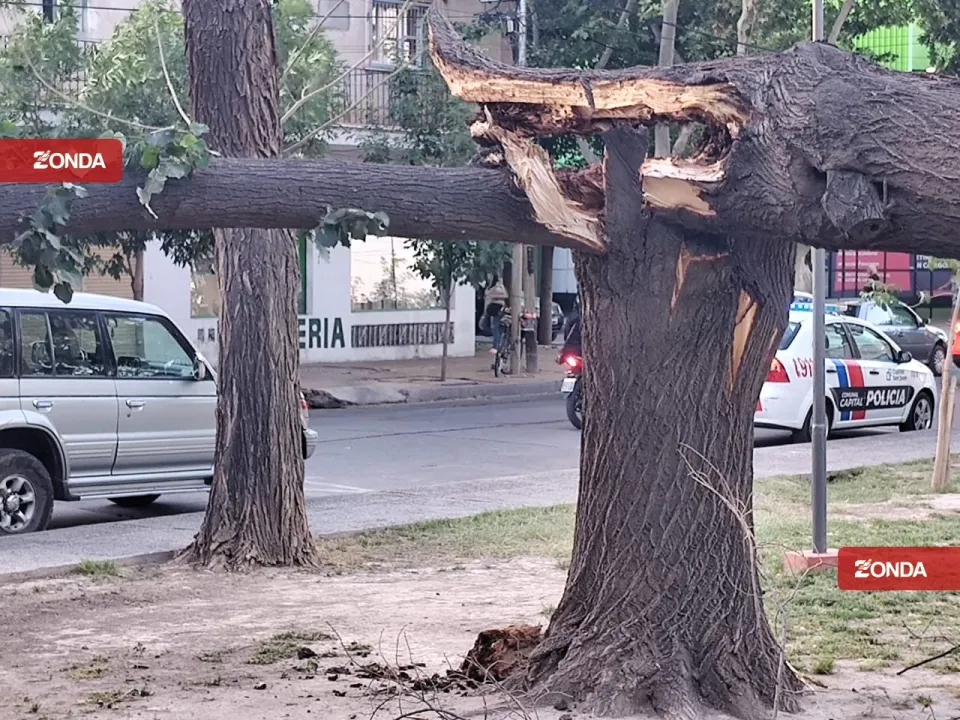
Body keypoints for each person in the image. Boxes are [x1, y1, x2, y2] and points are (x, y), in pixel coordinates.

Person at [483, 278, 508, 354]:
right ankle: (499, 345)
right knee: (497, 327)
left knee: (495, 327)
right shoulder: (498, 288)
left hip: (496, 308)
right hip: (498, 308)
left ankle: (496, 346)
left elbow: (488, 294)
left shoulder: (496, 287)